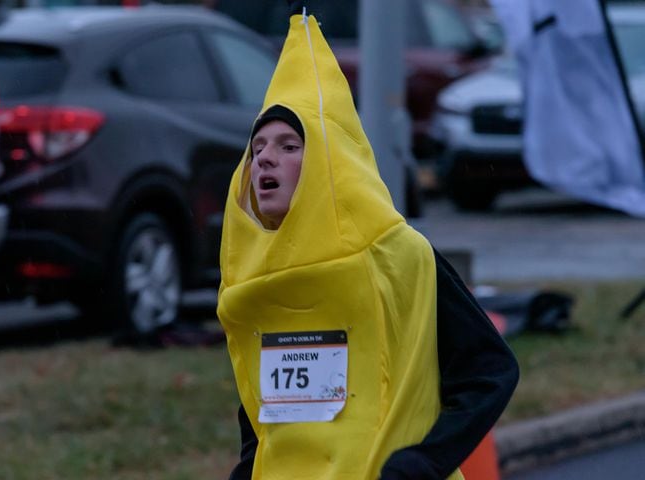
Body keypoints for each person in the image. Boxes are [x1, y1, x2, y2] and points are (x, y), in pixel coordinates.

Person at [217, 3, 519, 479]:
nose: (265, 160)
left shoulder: (400, 254)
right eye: (257, 149)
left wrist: (422, 463)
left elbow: (490, 371)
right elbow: (265, 412)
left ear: (329, 164)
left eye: (289, 146)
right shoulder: (254, 276)